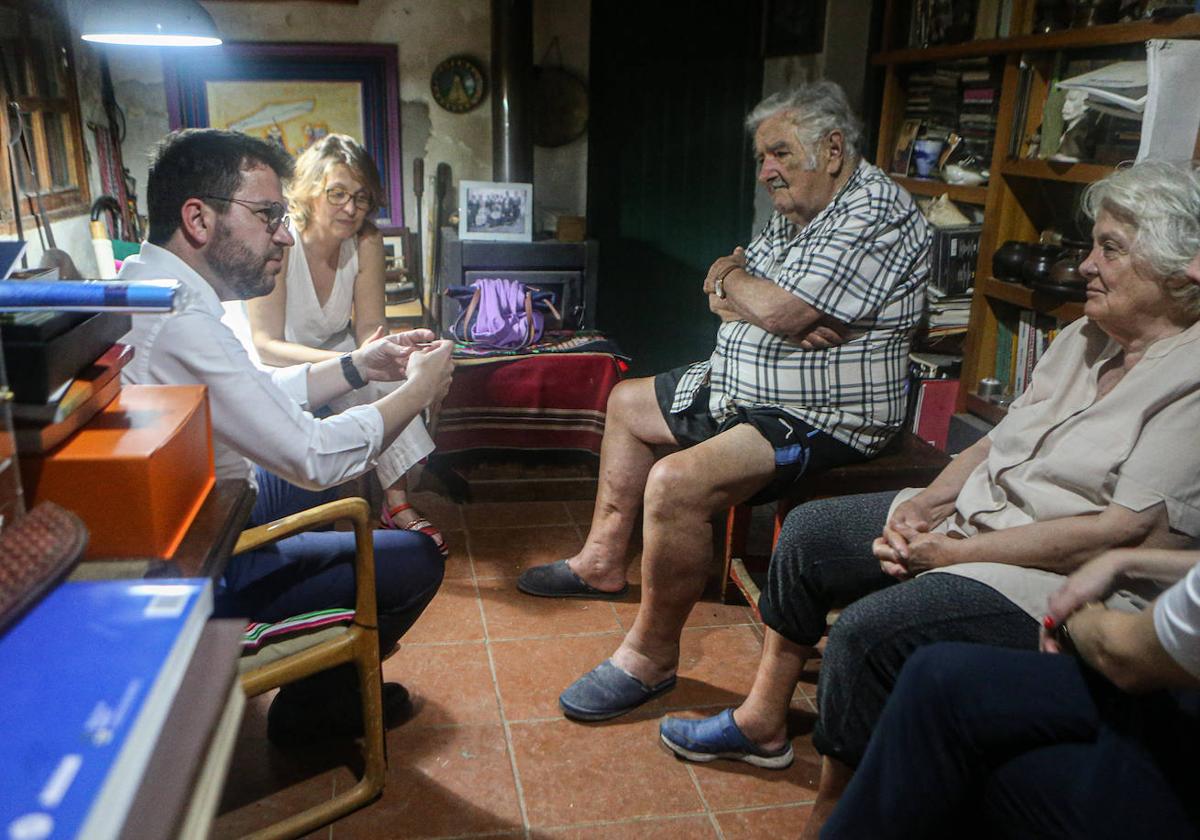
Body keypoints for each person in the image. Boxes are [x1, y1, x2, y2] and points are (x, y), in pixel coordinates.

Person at [659, 159, 1200, 838]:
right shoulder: (1086, 336)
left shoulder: (1192, 378)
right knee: (809, 538)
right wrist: (931, 504)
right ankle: (761, 722)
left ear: (1184, 269)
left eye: (1111, 249)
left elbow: (1113, 535)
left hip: (1053, 572)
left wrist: (951, 554)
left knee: (869, 633)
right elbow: (997, 442)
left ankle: (836, 812)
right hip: (975, 517)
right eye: (1092, 244)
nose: (1086, 265)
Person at [516, 80, 931, 722]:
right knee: (626, 403)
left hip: (825, 412)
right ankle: (601, 562)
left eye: (779, 154)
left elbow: (779, 307)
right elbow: (730, 292)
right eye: (761, 157)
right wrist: (741, 288)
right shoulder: (797, 212)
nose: (766, 170)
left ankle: (650, 659)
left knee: (675, 483)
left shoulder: (876, 212)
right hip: (743, 384)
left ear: (832, 148)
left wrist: (748, 289)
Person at [118, 128, 456, 744]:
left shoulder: (156, 287)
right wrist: (416, 393)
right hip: (207, 561)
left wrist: (360, 367)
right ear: (198, 218)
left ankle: (331, 647)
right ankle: (316, 705)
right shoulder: (181, 323)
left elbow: (253, 394)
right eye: (267, 215)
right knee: (418, 562)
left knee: (343, 465)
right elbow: (309, 456)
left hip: (211, 506)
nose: (281, 233)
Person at [822, 546, 1200, 839]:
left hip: (1152, 678)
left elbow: (1120, 655)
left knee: (988, 773)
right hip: (1162, 669)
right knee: (938, 678)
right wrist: (1123, 561)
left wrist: (1073, 616)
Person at [239, 134, 446, 556]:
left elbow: (371, 327)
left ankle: (395, 502)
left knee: (387, 382)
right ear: (310, 190)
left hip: (338, 348)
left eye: (361, 198)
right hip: (281, 360)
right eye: (337, 194)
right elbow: (265, 344)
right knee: (358, 374)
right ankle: (331, 508)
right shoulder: (280, 240)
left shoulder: (365, 242)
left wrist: (384, 355)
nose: (350, 209)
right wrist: (352, 362)